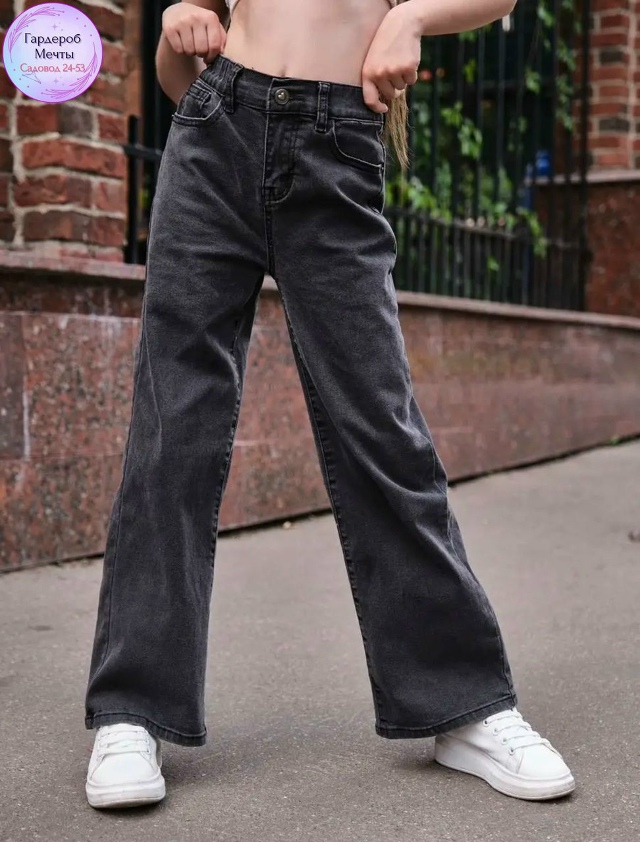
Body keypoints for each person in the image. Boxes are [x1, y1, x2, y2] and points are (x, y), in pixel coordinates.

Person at [84, 0, 575, 809]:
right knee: (174, 427)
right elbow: (178, 73)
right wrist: (177, 23)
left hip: (336, 144)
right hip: (213, 135)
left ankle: (464, 705)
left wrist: (413, 18)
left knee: (381, 429)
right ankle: (133, 710)